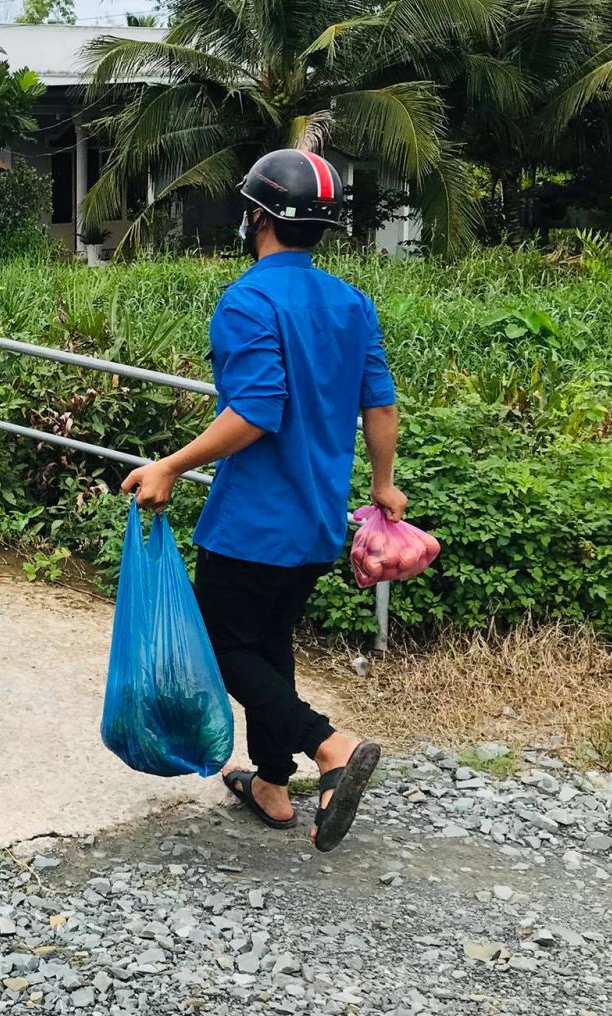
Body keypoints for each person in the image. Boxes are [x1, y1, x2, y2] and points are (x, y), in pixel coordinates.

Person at [120, 149, 405, 853]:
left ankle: (328, 745)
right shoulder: (351, 302)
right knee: (269, 644)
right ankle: (272, 782)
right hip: (315, 519)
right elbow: (381, 403)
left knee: (222, 647)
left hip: (253, 521)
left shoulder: (247, 299)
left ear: (257, 216)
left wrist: (170, 466)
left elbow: (254, 410)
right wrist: (381, 483)